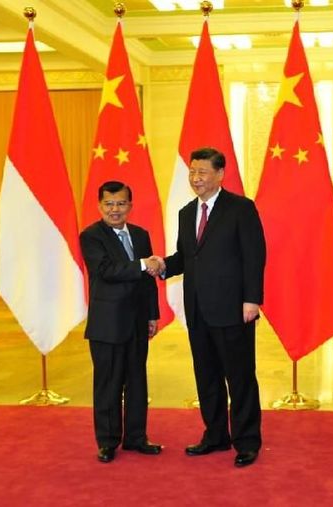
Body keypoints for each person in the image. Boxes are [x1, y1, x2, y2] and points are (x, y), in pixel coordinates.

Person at [158, 147, 266, 468]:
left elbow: (254, 256)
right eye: (192, 172)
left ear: (220, 174)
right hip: (198, 310)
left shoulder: (241, 208)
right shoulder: (186, 212)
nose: (196, 178)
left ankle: (247, 441)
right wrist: (161, 265)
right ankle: (216, 434)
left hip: (233, 309)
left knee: (240, 377)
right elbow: (186, 258)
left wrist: (252, 299)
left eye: (203, 172)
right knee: (206, 376)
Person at [80, 181, 165, 463]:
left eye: (120, 203)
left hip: (137, 322)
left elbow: (148, 282)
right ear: (99, 206)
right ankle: (107, 442)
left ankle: (136, 438)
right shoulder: (91, 236)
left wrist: (152, 314)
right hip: (107, 325)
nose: (114, 210)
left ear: (130, 205)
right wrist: (142, 263)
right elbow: (106, 270)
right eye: (109, 204)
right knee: (109, 384)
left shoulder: (140, 235)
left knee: (137, 381)